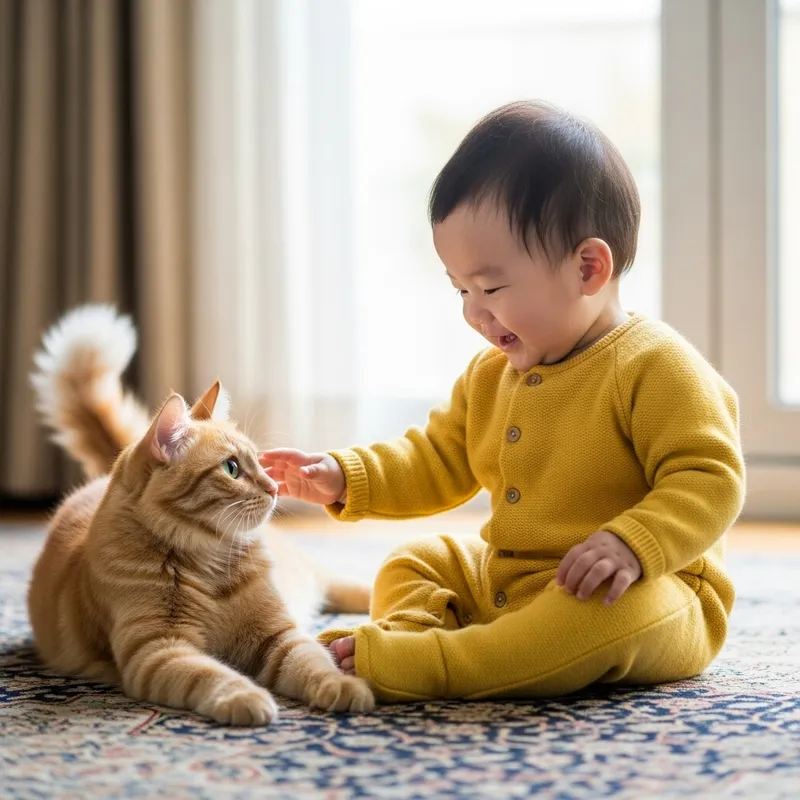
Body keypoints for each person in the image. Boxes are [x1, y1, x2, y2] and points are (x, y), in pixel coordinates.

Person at [260, 100, 745, 703]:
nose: (473, 312)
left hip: (647, 586)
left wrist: (632, 543)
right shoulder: (491, 376)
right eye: (460, 290)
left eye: (490, 287)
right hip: (513, 581)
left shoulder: (656, 366)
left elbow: (710, 478)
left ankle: (449, 665)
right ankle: (411, 635)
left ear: (588, 268)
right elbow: (435, 458)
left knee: (603, 613)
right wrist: (344, 477)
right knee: (416, 561)